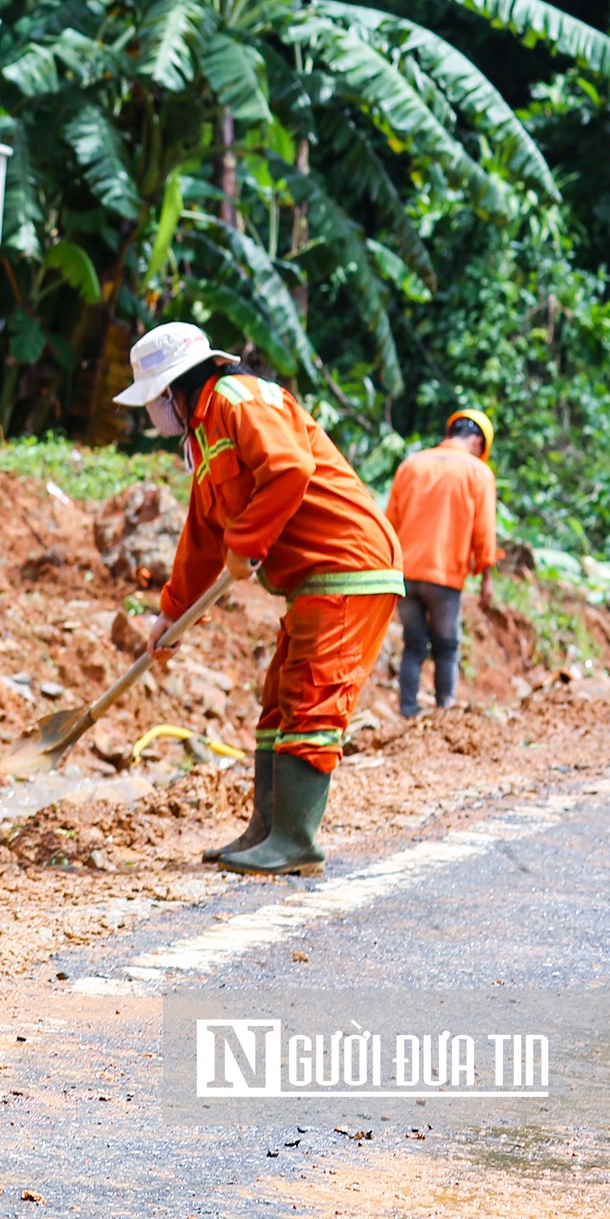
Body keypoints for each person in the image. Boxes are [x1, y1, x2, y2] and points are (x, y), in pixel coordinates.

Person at [115, 321, 405, 876]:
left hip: (348, 563)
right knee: (279, 698)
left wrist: (247, 544)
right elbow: (202, 538)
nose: (150, 413)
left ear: (172, 390)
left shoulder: (239, 399)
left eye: (152, 400)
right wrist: (170, 615)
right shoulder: (200, 434)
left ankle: (296, 841)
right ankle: (266, 830)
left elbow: (290, 469)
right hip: (312, 578)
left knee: (313, 695)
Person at [382, 410, 498, 717]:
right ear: (477, 441)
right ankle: (445, 712)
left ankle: (408, 712)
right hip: (445, 576)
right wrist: (487, 577)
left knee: (413, 645)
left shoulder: (412, 464)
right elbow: (484, 530)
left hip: (404, 573)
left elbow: (389, 520)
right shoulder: (478, 473)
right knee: (446, 647)